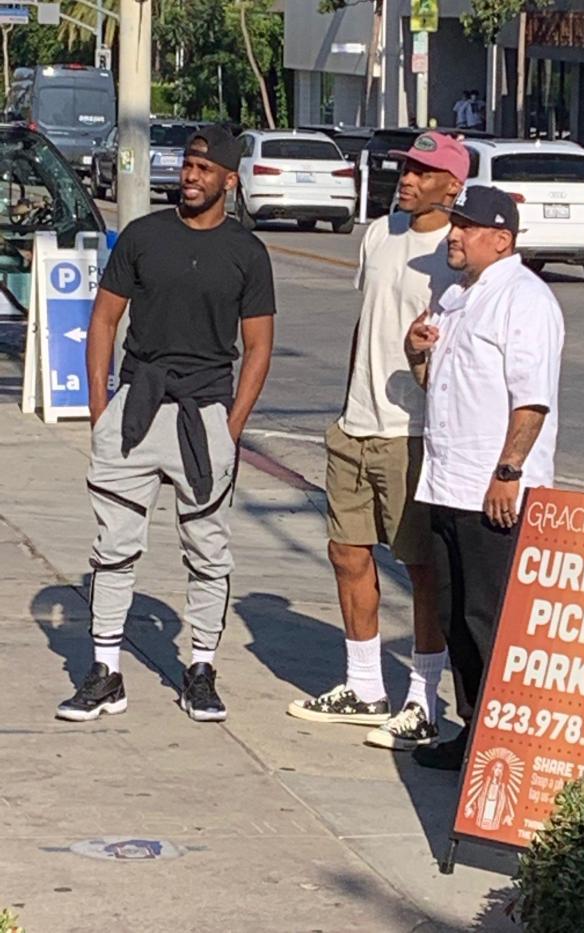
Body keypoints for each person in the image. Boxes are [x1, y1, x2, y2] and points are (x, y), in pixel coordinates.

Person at [56, 126, 275, 723]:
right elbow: (104, 320)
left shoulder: (247, 252)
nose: (191, 175)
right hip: (137, 410)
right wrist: (102, 408)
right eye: (188, 164)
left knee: (208, 551)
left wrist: (231, 427)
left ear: (229, 180)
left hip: (205, 416)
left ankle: (200, 669)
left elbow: (258, 347)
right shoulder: (143, 235)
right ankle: (105, 671)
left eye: (204, 168)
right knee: (113, 546)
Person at [287, 133, 469, 750]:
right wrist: (347, 407)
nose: (408, 179)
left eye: (423, 171)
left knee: (421, 567)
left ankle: (424, 700)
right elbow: (367, 323)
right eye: (406, 168)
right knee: (347, 553)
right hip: (357, 424)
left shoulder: (454, 252)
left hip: (412, 431)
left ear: (452, 186)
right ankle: (364, 686)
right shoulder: (379, 233)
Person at [405, 185, 564, 769]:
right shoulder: (455, 296)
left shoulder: (525, 299)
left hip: (493, 492)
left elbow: (532, 400)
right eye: (456, 223)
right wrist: (416, 352)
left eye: (467, 227)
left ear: (501, 239)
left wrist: (508, 472)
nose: (454, 234)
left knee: (490, 619)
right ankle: (474, 732)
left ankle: (504, 745)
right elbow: (439, 385)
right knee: (454, 615)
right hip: (447, 483)